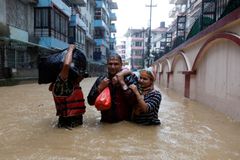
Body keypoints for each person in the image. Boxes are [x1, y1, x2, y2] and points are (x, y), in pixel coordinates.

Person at [87, 54, 139, 123]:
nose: (113, 67)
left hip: (126, 123)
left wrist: (122, 83)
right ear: (107, 65)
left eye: (116, 64)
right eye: (110, 64)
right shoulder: (101, 80)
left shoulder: (129, 78)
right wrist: (100, 88)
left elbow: (135, 101)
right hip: (106, 123)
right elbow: (90, 101)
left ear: (121, 65)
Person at [49, 44, 87, 128]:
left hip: (75, 123)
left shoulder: (72, 84)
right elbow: (66, 65)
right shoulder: (62, 83)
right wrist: (71, 49)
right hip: (68, 125)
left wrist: (82, 75)